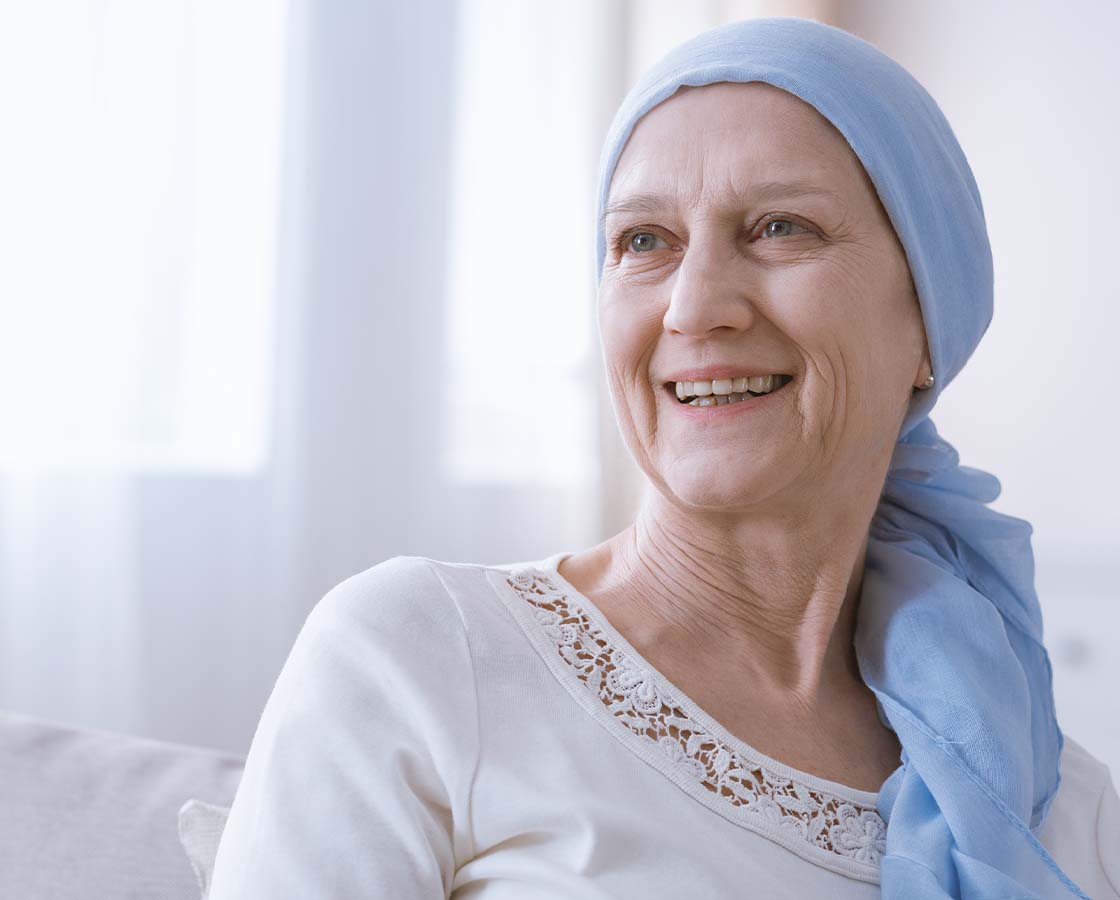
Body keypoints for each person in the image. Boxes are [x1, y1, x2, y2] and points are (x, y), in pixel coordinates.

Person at [208, 16, 1120, 899]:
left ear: (929, 317)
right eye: (644, 241)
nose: (693, 307)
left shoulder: (1044, 792)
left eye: (780, 228)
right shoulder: (419, 655)